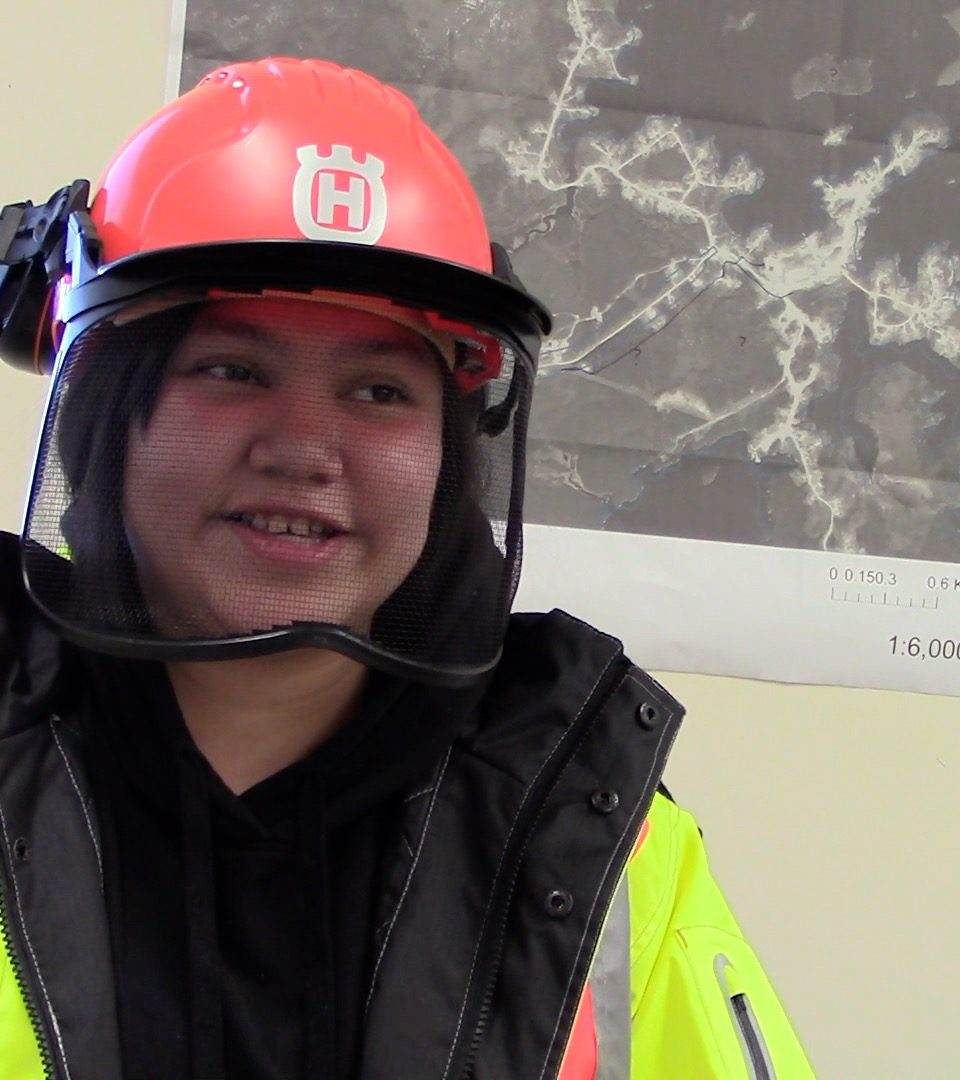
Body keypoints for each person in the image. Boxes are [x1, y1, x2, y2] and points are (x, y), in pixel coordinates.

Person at [0, 57, 815, 1079]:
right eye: (233, 370)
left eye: (380, 392)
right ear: (105, 418)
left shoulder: (596, 841)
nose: (305, 449)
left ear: (447, 462)